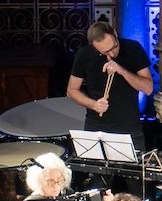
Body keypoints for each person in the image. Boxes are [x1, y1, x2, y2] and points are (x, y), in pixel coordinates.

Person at [66, 21, 154, 153]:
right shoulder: (84, 54)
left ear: (115, 33)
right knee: (95, 171)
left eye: (114, 47)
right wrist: (93, 104)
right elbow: (72, 91)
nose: (111, 54)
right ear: (94, 47)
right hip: (96, 127)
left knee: (131, 172)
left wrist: (122, 71)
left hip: (129, 128)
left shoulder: (133, 48)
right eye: (105, 52)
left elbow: (148, 88)